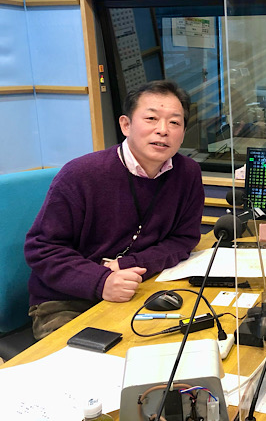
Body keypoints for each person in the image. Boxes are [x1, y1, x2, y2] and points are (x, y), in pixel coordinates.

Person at [25, 79, 205, 340]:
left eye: (174, 122)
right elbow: (42, 249)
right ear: (126, 125)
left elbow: (183, 239)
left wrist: (129, 264)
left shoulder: (187, 173)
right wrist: (101, 281)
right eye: (151, 118)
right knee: (91, 361)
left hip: (139, 287)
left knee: (184, 342)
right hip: (66, 300)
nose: (163, 130)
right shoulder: (81, 174)